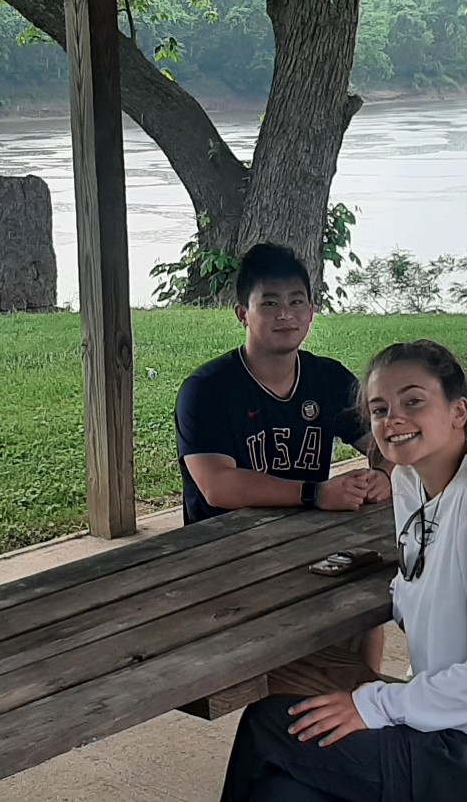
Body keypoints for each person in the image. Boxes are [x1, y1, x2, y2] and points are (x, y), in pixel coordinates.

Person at [219, 339, 467, 802]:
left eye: (414, 401)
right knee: (282, 790)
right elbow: (420, 584)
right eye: (379, 408)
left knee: (270, 726)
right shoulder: (411, 483)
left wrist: (375, 704)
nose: (393, 418)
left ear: (458, 412)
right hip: (454, 730)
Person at [174, 243, 391, 694]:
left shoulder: (329, 380)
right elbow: (217, 487)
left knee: (372, 595)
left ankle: (361, 710)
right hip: (226, 553)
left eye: (296, 302)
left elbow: (383, 445)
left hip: (307, 541)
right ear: (242, 314)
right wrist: (316, 493)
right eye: (269, 303)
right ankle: (344, 711)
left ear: (312, 311)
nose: (285, 314)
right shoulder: (207, 390)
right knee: (332, 612)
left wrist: (382, 476)